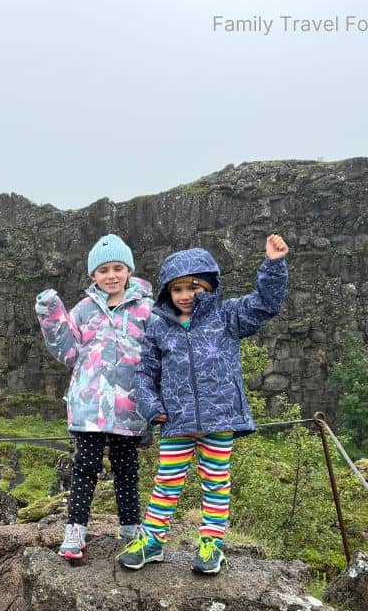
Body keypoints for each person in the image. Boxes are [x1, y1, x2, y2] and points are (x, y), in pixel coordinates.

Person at [119, 234, 289, 574]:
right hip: (176, 422)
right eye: (177, 289)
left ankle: (212, 544)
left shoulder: (228, 316)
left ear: (210, 287)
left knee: (215, 483)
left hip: (219, 420)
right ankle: (152, 541)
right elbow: (145, 373)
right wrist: (152, 407)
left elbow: (266, 304)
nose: (185, 296)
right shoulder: (158, 328)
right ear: (168, 293)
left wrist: (273, 265)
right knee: (166, 482)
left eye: (193, 287)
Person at [36, 233, 154, 561]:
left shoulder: (148, 309)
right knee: (84, 469)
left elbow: (158, 357)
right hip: (88, 409)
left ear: (129, 269)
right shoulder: (85, 310)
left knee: (127, 470)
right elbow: (69, 351)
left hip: (129, 408)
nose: (111, 275)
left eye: (118, 267)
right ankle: (75, 532)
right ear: (93, 276)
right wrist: (51, 315)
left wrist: (154, 405)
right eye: (103, 270)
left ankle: (131, 529)